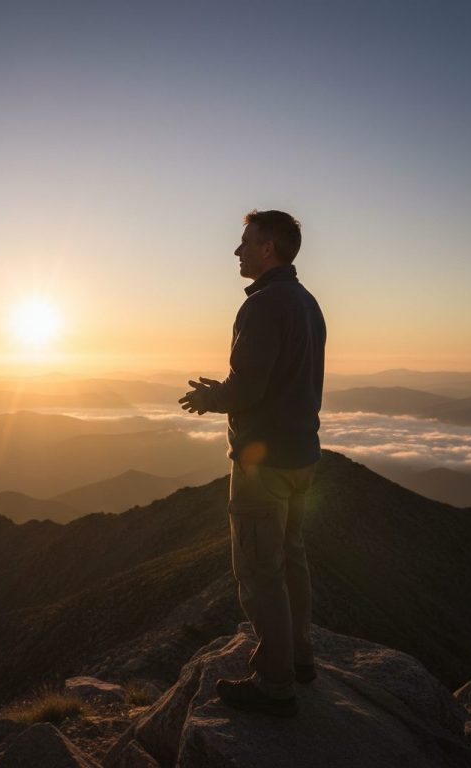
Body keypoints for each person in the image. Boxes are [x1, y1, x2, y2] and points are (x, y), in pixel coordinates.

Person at [179, 209, 326, 718]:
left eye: (246, 241)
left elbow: (250, 387)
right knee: (291, 559)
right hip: (301, 457)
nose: (237, 250)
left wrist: (211, 398)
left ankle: (274, 684)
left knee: (260, 572)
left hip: (263, 465)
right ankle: (300, 658)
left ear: (269, 248)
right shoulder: (307, 302)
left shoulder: (262, 306)